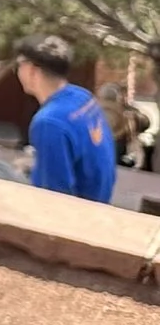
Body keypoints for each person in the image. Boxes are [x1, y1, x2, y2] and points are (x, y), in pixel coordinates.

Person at [15, 36, 115, 204]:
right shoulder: (83, 96)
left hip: (78, 215)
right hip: (100, 199)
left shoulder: (48, 122)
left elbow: (54, 196)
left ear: (32, 70)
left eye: (18, 65)